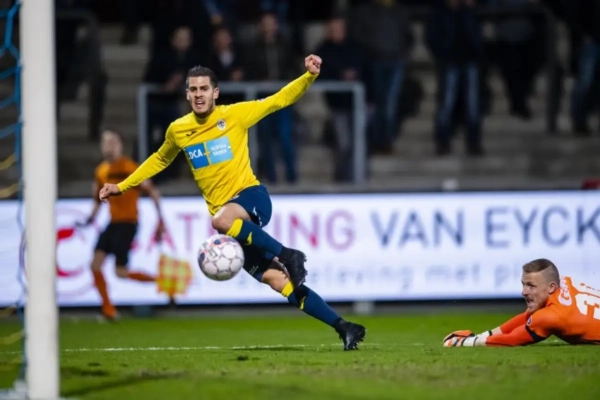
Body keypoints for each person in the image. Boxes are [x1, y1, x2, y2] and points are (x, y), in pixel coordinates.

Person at [98, 55, 367, 350]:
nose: (198, 94)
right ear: (186, 94)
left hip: (251, 197)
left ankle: (289, 253)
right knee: (279, 282)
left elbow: (279, 100)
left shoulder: (235, 115)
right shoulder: (178, 130)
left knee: (221, 220)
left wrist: (309, 76)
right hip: (231, 224)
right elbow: (159, 159)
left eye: (204, 89)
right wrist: (122, 186)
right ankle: (344, 327)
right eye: (193, 89)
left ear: (215, 92)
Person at [81, 130, 166, 320]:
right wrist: (90, 218)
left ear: (120, 146)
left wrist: (160, 221)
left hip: (128, 223)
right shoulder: (101, 171)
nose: (109, 146)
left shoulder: (129, 168)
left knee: (120, 272)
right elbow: (97, 199)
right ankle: (108, 310)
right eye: (106, 142)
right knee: (95, 265)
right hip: (112, 223)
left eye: (113, 142)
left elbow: (152, 192)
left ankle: (159, 280)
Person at [443, 258, 600, 347]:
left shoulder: (551, 316)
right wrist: (482, 335)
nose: (524, 292)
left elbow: (512, 340)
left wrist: (465, 343)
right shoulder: (565, 282)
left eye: (531, 286)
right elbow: (528, 317)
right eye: (523, 284)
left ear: (551, 287)